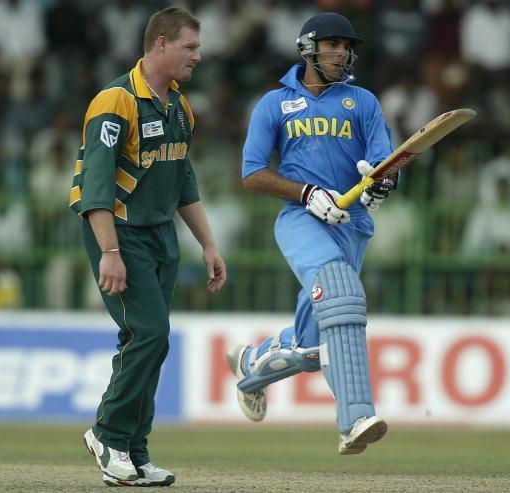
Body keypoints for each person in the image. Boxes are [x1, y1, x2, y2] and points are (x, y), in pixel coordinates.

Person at [70, 7, 226, 487]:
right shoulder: (115, 101)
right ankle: (107, 434)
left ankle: (134, 453)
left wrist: (208, 244)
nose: (198, 57)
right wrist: (110, 252)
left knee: (147, 344)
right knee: (150, 334)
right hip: (120, 232)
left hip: (160, 235)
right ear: (160, 44)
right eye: (189, 47)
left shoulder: (180, 106)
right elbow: (94, 186)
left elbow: (183, 181)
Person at [226, 12, 394, 455]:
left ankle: (249, 365)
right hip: (301, 221)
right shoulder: (275, 104)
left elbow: (383, 167)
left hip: (352, 225)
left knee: (310, 345)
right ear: (308, 48)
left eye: (346, 45)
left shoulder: (364, 102)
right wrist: (305, 193)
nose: (341, 53)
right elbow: (252, 173)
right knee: (341, 294)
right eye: (333, 44)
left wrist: (379, 187)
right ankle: (356, 418)